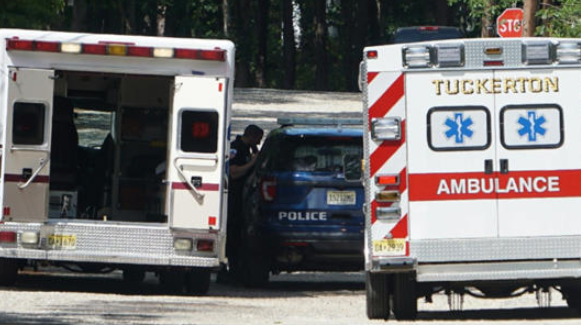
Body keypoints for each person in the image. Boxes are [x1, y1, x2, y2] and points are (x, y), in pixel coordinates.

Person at [221, 124, 264, 283]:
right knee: (232, 233)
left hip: (245, 199)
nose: (258, 143)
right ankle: (228, 270)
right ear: (251, 136)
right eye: (258, 139)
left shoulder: (248, 150)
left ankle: (238, 268)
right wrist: (252, 163)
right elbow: (233, 172)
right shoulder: (236, 149)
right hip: (233, 198)